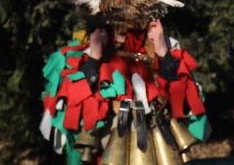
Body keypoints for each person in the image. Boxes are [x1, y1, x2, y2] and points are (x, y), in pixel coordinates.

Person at [42, 17, 206, 164]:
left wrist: (162, 52)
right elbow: (70, 112)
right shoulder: (79, 54)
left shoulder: (161, 45)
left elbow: (183, 103)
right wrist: (93, 59)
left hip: (158, 147)